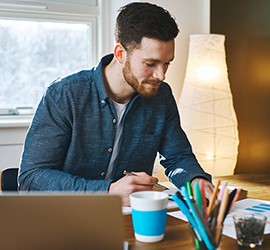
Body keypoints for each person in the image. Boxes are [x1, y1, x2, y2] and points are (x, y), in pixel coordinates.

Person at [18, 2, 213, 206]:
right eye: (150, 64)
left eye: (167, 64)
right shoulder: (64, 95)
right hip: (68, 218)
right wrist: (108, 191)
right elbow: (31, 178)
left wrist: (194, 180)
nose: (161, 75)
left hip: (130, 222)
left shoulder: (161, 96)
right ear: (120, 54)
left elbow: (178, 157)